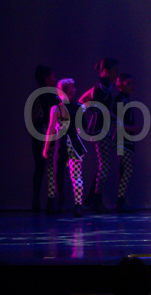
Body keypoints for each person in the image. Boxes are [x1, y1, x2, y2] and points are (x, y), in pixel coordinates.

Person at [79, 57, 119, 213]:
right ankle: (96, 200)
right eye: (115, 71)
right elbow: (101, 108)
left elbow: (84, 100)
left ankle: (92, 198)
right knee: (105, 165)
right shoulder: (102, 87)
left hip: (101, 128)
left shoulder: (103, 86)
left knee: (104, 164)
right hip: (100, 129)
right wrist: (117, 120)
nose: (117, 74)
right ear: (106, 72)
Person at [43, 78, 87, 217]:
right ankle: (77, 206)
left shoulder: (57, 109)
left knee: (59, 175)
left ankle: (62, 205)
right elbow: (83, 128)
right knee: (75, 175)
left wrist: (46, 147)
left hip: (62, 143)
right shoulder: (77, 107)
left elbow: (51, 128)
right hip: (72, 143)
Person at [31, 65, 59, 212]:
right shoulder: (52, 96)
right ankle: (50, 202)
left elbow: (34, 118)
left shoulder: (37, 95)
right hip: (48, 136)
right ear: (47, 79)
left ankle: (37, 200)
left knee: (40, 168)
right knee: (50, 169)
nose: (55, 79)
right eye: (53, 76)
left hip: (38, 136)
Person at [113, 73, 142, 212]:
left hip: (126, 138)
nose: (132, 86)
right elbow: (116, 121)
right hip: (123, 139)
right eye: (128, 84)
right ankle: (120, 200)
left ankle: (121, 200)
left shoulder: (125, 100)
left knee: (124, 169)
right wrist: (131, 128)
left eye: (133, 83)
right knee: (127, 170)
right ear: (120, 85)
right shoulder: (121, 100)